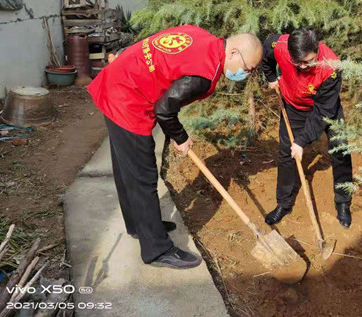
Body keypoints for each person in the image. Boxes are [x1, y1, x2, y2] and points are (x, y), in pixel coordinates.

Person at [88, 25, 262, 269]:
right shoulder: (204, 74)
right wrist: (181, 138)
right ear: (233, 53)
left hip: (118, 79)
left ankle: (140, 226)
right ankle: (157, 250)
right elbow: (164, 110)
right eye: (247, 68)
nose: (246, 74)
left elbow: (154, 39)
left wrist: (124, 54)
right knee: (143, 177)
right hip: (126, 98)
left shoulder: (201, 35)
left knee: (126, 168)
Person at [261, 28, 353, 228]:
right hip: (293, 106)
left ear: (316, 49)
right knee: (286, 153)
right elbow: (265, 51)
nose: (303, 66)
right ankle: (284, 203)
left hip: (324, 107)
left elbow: (323, 112)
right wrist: (271, 77)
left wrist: (301, 141)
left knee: (340, 149)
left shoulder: (331, 67)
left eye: (308, 61)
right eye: (297, 62)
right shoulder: (280, 46)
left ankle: (343, 201)